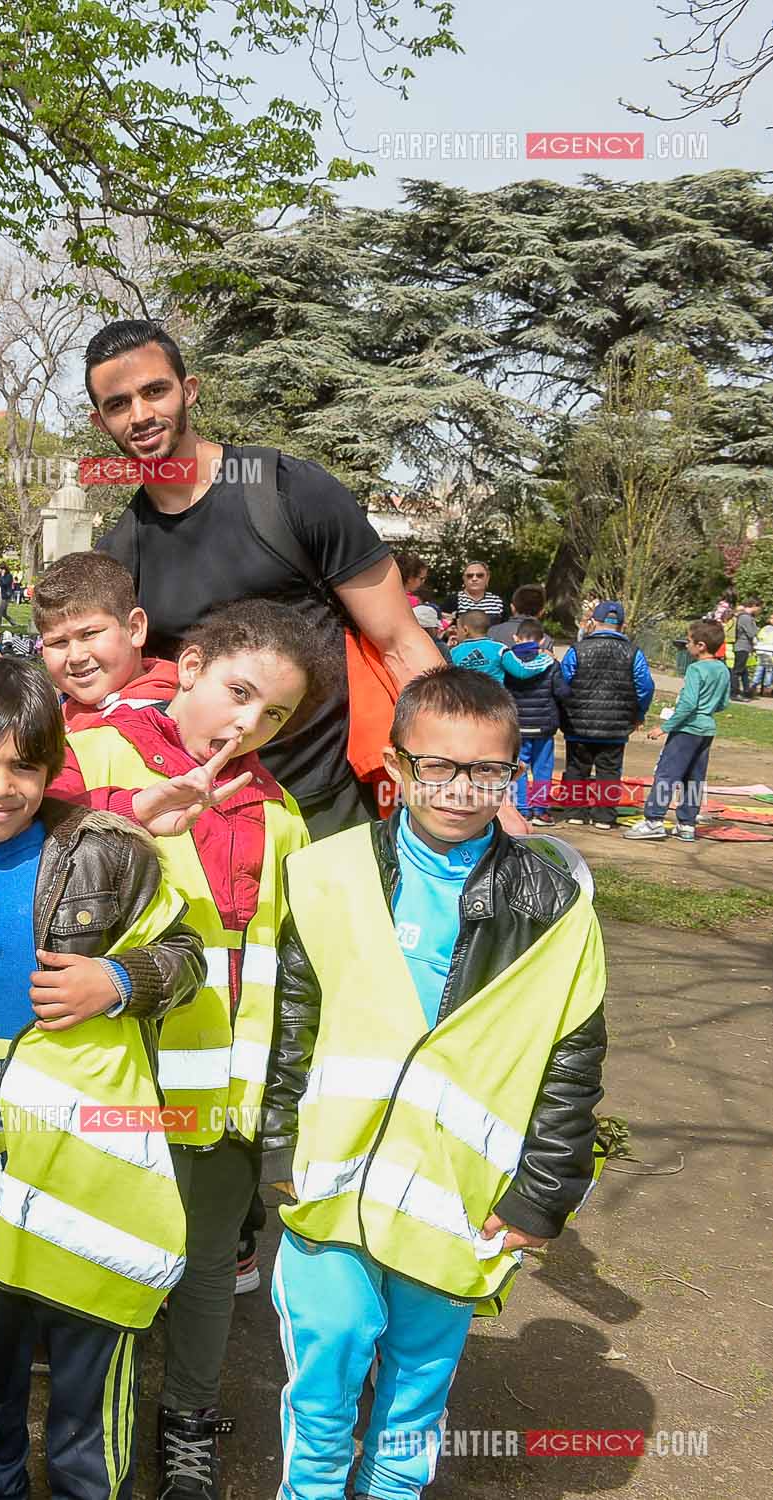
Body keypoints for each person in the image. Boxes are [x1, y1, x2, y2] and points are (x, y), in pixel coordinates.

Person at [261, 667, 607, 1500]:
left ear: (512, 773)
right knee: (329, 1347)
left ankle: (391, 1489)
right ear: (393, 765)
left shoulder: (553, 901)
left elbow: (572, 1054)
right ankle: (308, 1488)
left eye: (486, 770)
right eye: (437, 767)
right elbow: (289, 1022)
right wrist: (277, 1145)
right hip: (332, 1183)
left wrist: (541, 1194)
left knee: (418, 1372)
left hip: (452, 1199)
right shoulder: (327, 873)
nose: (460, 788)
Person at [0, 656, 204, 1500]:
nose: (0, 785)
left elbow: (189, 955)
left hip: (93, 1181)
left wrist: (119, 982)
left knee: (89, 1400)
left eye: (23, 764)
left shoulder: (107, 853)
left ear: (53, 767)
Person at [49, 600, 320, 1500]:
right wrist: (130, 814)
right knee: (105, 1256)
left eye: (274, 715)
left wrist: (273, 1097)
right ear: (191, 666)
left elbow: (283, 968)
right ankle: (88, 1425)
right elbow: (16, 835)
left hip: (220, 1103)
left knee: (208, 1267)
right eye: (238, 694)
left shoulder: (279, 813)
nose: (248, 725)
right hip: (107, 1083)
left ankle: (189, 1424)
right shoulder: (93, 753)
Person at [85, 320, 443, 836]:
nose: (140, 415)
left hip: (332, 809)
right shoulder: (119, 554)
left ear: (188, 391)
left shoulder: (288, 492)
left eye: (155, 391)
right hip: (209, 823)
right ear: (102, 423)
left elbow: (401, 643)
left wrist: (470, 776)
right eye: (118, 404)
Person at [33, 550, 179, 730]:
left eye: (89, 634)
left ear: (135, 628)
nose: (76, 657)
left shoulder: (171, 721)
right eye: (58, 642)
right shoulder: (50, 713)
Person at [628, 619, 732, 843]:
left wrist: (664, 727)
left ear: (701, 645)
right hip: (706, 731)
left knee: (667, 774)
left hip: (686, 731)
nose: (686, 645)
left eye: (689, 641)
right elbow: (723, 703)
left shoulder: (696, 669)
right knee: (694, 779)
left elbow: (688, 704)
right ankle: (686, 824)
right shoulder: (723, 669)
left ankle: (653, 820)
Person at [554, 600, 653, 831]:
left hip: (578, 722)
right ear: (623, 625)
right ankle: (604, 816)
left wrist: (564, 710)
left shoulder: (577, 650)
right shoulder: (634, 653)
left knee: (577, 768)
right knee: (609, 771)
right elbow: (645, 687)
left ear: (593, 621)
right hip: (616, 725)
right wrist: (639, 714)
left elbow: (564, 683)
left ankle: (575, 812)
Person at [505, 619, 561, 826]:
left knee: (519, 767)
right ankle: (541, 810)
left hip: (518, 724)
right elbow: (562, 691)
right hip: (543, 725)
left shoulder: (507, 662)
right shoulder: (550, 663)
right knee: (542, 769)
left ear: (515, 638)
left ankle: (521, 807)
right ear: (543, 640)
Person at [731, 599, 759, 699]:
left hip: (744, 646)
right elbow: (751, 633)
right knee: (737, 671)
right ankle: (734, 693)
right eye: (758, 608)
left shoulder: (745, 617)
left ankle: (746, 692)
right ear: (754, 606)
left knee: (743, 671)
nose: (758, 610)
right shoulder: (745, 618)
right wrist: (756, 628)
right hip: (742, 646)